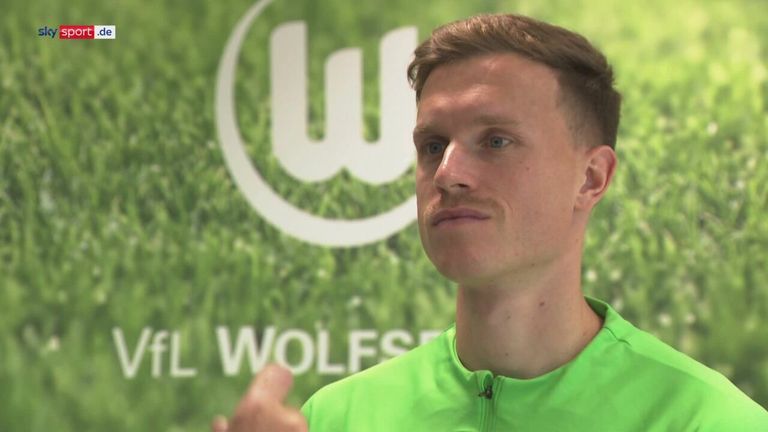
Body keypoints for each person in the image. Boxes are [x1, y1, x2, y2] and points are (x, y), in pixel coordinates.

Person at [213, 13, 768, 431]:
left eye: (496, 141)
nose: (448, 173)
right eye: (433, 145)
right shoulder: (338, 417)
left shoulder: (708, 420)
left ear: (591, 178)